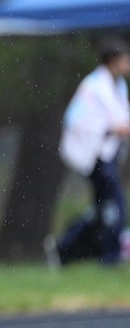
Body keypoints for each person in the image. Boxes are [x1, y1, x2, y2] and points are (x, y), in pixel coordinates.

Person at [46, 36, 130, 267]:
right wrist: (110, 128)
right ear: (113, 60)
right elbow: (77, 120)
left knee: (102, 209)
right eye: (125, 59)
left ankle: (64, 248)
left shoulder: (118, 86)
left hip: (109, 155)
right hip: (94, 155)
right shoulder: (93, 87)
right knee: (115, 206)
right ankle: (110, 257)